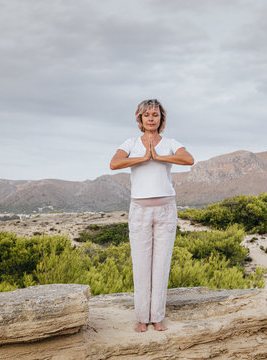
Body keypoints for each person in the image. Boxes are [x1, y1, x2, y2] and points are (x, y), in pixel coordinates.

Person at [110, 99, 194, 333]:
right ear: (140, 118)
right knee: (141, 263)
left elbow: (188, 159)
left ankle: (157, 317)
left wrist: (159, 156)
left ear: (161, 118)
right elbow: (114, 163)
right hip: (140, 210)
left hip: (166, 209)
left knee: (161, 263)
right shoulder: (130, 143)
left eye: (155, 115)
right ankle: (141, 317)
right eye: (146, 115)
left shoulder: (170, 143)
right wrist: (142, 158)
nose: (151, 118)